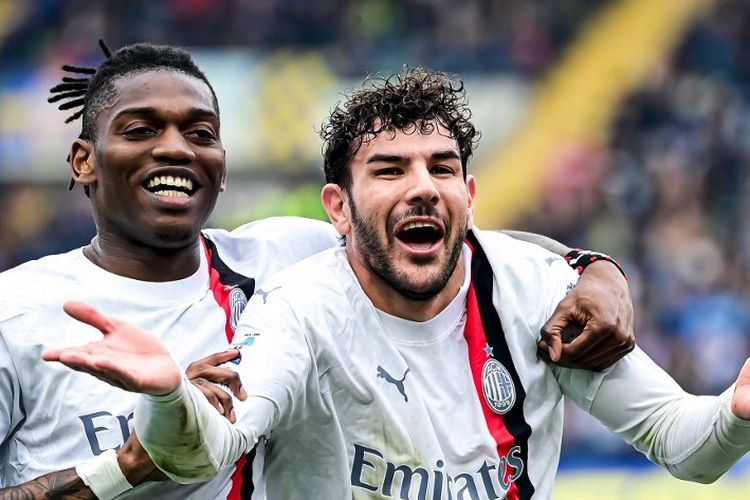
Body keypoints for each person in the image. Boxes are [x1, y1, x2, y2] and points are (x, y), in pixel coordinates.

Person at [43, 67, 750, 499]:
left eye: (440, 169)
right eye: (389, 171)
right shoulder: (301, 304)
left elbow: (686, 448)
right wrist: (168, 395)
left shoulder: (537, 287)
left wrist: (738, 414)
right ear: (338, 208)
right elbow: (215, 447)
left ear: (469, 194)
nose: (422, 189)